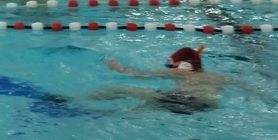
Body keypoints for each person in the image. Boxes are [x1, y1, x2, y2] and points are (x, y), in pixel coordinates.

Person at [89, 46, 227, 114]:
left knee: (119, 90)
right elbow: (241, 86)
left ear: (183, 65)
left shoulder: (182, 71)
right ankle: (112, 114)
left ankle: (77, 101)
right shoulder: (219, 77)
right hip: (206, 107)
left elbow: (139, 74)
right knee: (144, 106)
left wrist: (116, 66)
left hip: (184, 99)